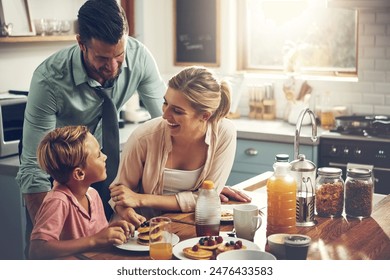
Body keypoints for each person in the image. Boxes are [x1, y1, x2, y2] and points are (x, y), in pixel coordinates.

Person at [16, 0, 165, 229]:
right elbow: (34, 167)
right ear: (81, 44)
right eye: (103, 59)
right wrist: (49, 237)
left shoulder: (139, 58)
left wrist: (201, 186)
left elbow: (166, 123)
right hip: (57, 166)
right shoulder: (49, 80)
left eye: (119, 56)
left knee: (106, 238)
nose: (113, 68)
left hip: (100, 158)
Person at [109, 66, 243, 225]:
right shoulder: (143, 137)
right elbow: (120, 195)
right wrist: (127, 209)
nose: (165, 115)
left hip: (189, 224)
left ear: (205, 116)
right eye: (165, 103)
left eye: (177, 111)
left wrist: (141, 199)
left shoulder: (224, 133)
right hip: (140, 227)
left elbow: (207, 197)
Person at [29, 126, 134, 260]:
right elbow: (37, 250)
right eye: (98, 154)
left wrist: (110, 231)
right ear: (79, 173)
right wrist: (94, 240)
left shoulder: (93, 195)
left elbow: (96, 238)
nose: (105, 156)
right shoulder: (58, 201)